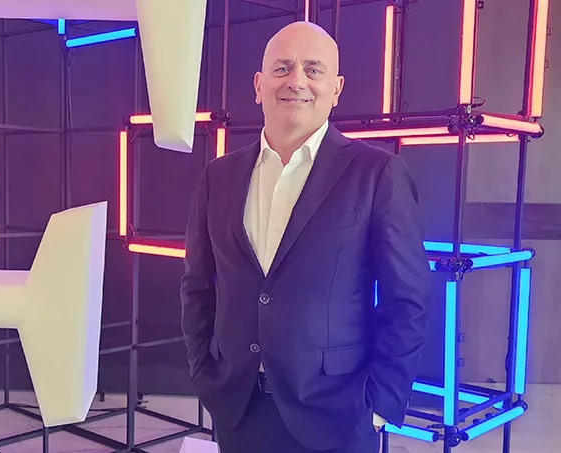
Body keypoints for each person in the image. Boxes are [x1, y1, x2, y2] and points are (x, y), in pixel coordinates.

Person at [180, 21, 432, 453]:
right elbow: (197, 286)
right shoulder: (217, 177)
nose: (296, 80)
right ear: (258, 85)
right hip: (238, 408)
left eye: (313, 70)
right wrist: (205, 372)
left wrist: (380, 404)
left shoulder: (377, 173)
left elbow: (407, 298)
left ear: (336, 89)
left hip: (339, 413)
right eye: (282, 68)